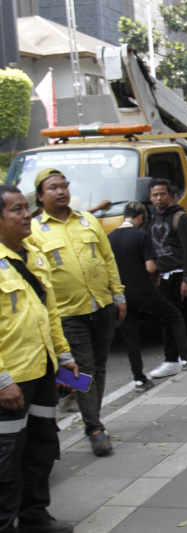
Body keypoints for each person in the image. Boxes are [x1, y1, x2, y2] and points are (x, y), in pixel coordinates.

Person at [28, 168, 125, 458]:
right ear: (40, 196)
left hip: (101, 305)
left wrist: (118, 295)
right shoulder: (33, 230)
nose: (61, 191)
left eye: (64, 185)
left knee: (100, 366)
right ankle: (94, 428)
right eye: (53, 187)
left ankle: (93, 419)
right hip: (67, 313)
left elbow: (108, 259)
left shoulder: (88, 219)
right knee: (81, 371)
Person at [0, 184, 78, 533]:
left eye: (25, 208)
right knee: (7, 458)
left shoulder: (33, 254)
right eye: (16, 210)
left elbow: (50, 313)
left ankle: (35, 516)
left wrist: (64, 356)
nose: (26, 215)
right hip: (11, 380)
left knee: (41, 448)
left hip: (43, 371)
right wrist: (3, 381)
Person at [108, 201, 187, 388]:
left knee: (131, 336)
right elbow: (150, 267)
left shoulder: (110, 238)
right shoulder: (141, 235)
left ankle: (139, 378)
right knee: (173, 315)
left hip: (121, 294)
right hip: (143, 290)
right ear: (141, 217)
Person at [148, 178, 187, 364]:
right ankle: (173, 357)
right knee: (168, 317)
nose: (159, 198)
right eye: (155, 195)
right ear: (150, 198)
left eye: (162, 194)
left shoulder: (179, 218)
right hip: (164, 276)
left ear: (171, 196)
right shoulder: (153, 218)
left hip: (182, 274)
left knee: (185, 314)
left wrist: (186, 278)